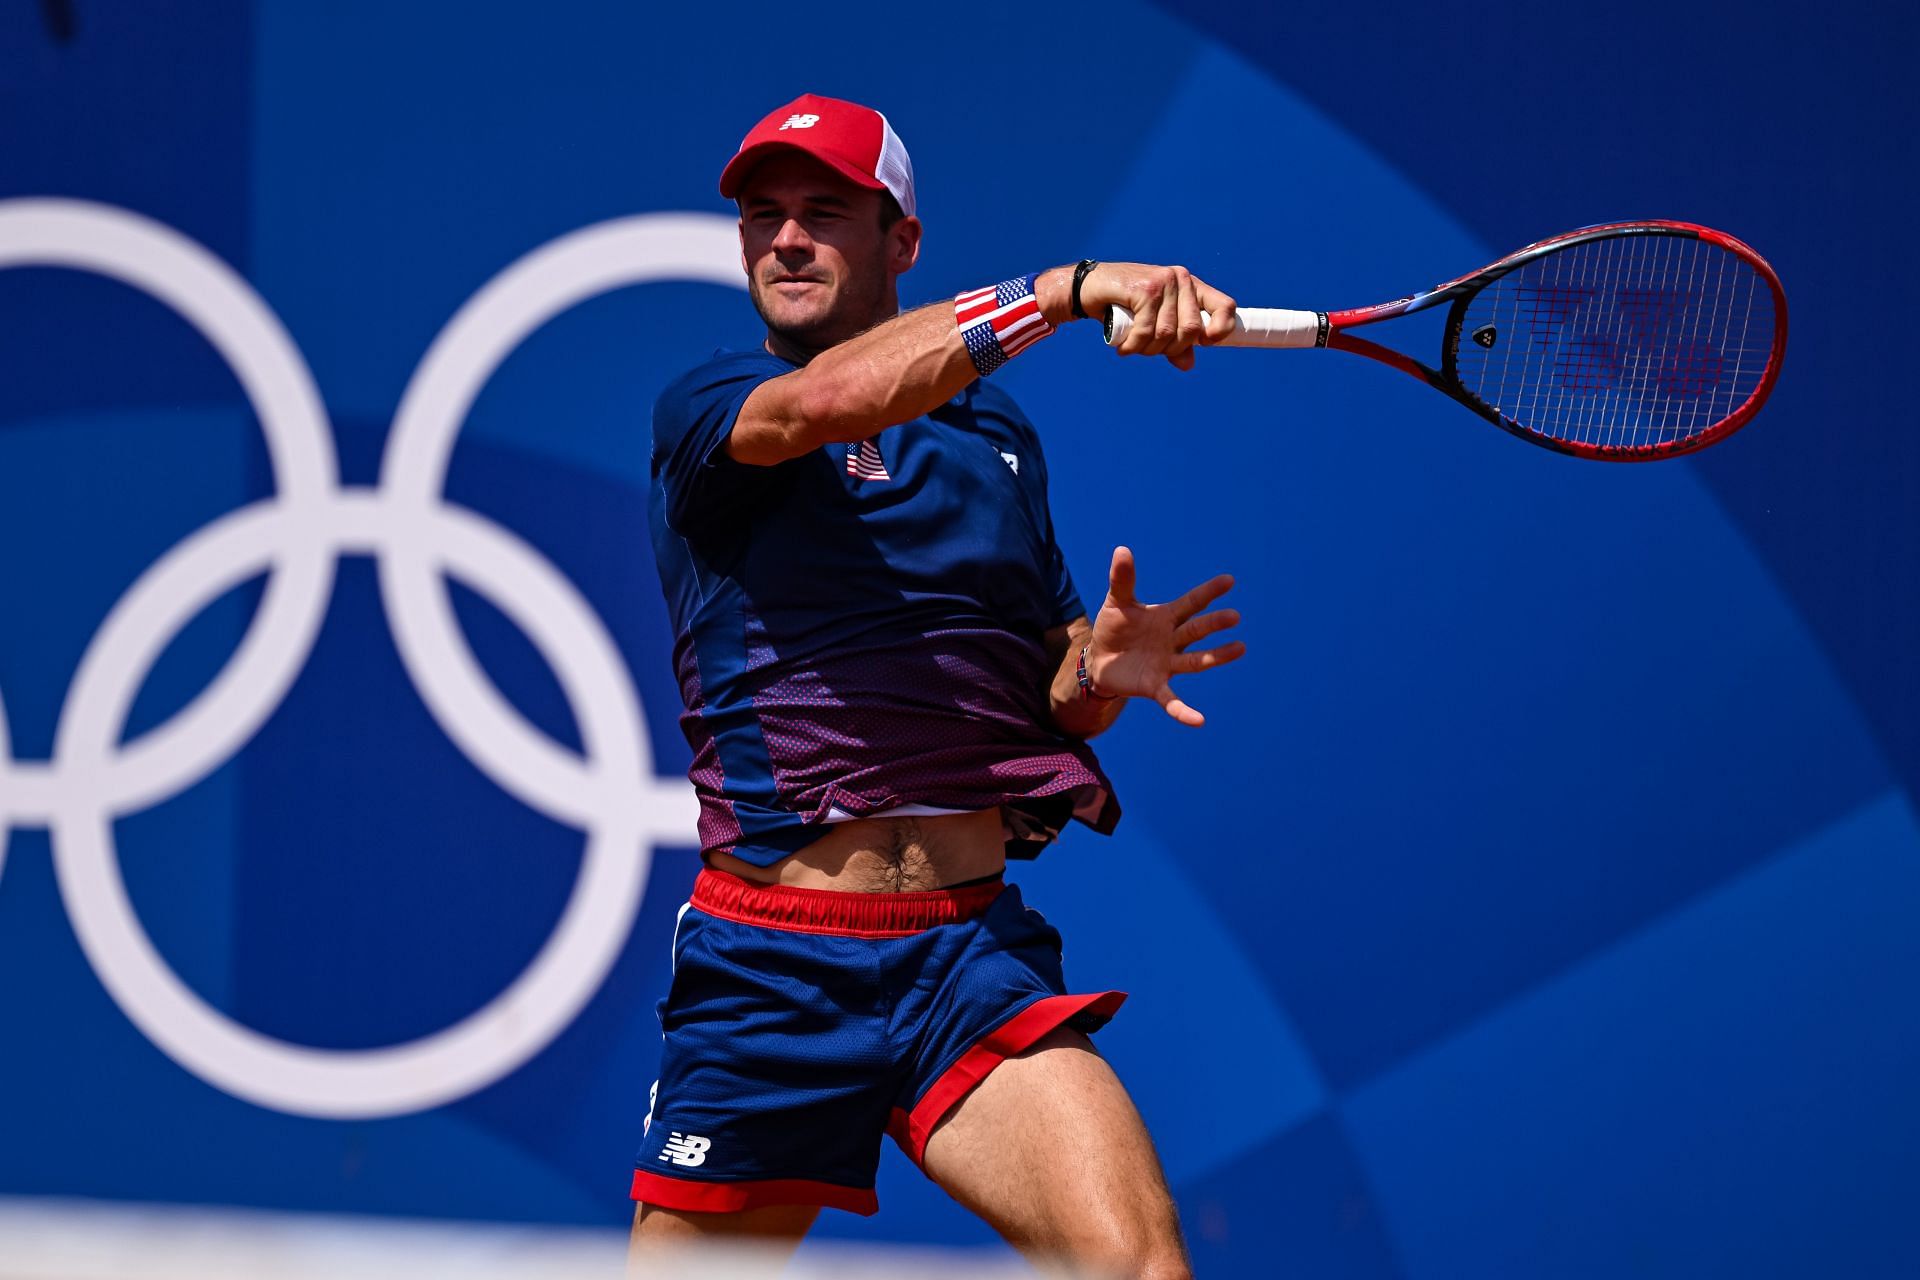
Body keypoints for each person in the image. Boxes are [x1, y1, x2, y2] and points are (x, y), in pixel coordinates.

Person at [630, 93, 1244, 1279]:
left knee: (1138, 1263)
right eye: (765, 217)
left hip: (963, 955)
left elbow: (1047, 688)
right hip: (772, 966)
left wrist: (1096, 668)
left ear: (902, 241)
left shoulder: (994, 437)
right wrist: (1073, 288)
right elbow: (827, 403)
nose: (788, 240)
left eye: (825, 213)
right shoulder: (710, 408)